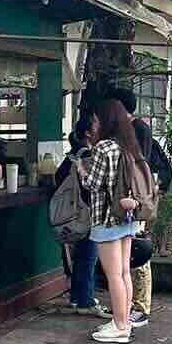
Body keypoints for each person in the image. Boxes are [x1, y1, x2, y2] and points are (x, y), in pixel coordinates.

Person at [105, 87, 172, 326]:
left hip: (139, 197)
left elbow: (136, 167)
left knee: (139, 249)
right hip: (133, 197)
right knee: (129, 252)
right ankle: (129, 303)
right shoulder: (126, 130)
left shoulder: (138, 129)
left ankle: (141, 306)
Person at [80, 99, 145, 343]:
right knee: (124, 272)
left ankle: (119, 326)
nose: (94, 124)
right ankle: (123, 320)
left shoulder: (103, 148)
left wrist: (82, 171)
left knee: (114, 275)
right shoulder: (127, 146)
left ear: (106, 121)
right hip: (126, 216)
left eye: (96, 120)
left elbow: (93, 184)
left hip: (107, 219)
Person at [54, 114, 109, 319]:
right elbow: (94, 185)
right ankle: (85, 301)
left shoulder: (73, 154)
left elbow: (59, 177)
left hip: (76, 213)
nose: (100, 127)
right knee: (88, 256)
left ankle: (78, 297)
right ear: (88, 132)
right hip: (87, 212)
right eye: (96, 124)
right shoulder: (88, 155)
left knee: (81, 256)